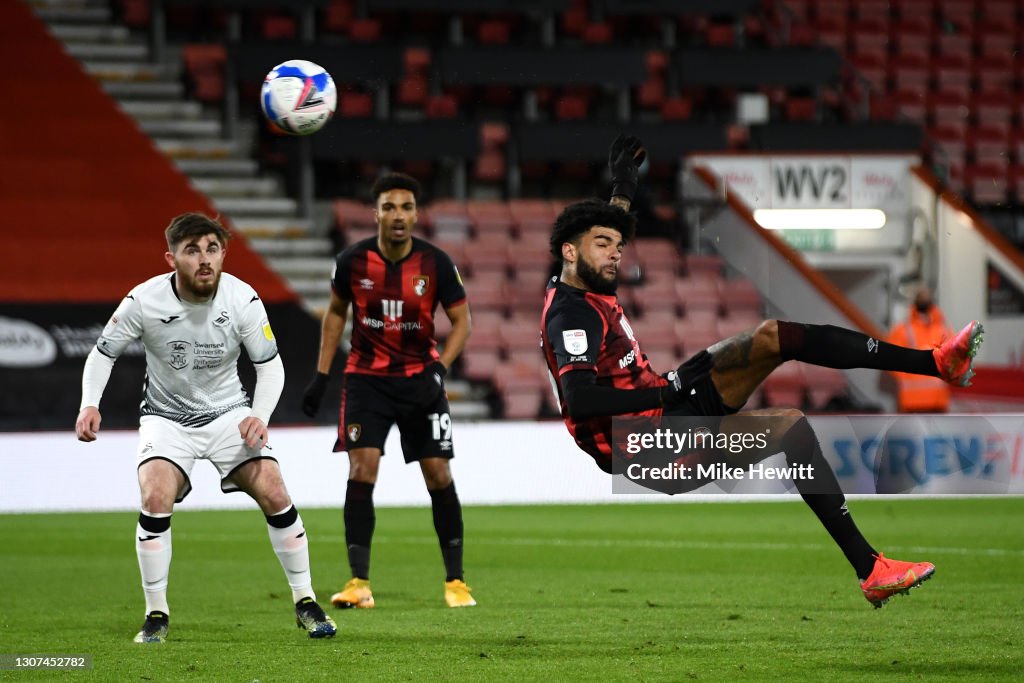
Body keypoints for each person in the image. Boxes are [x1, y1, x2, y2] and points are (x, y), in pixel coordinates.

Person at [540, 134, 985, 608]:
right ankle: (870, 568)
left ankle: (936, 362)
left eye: (617, 244)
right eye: (603, 245)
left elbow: (609, 228)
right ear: (570, 252)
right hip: (649, 447)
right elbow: (581, 399)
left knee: (774, 335)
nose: (616, 253)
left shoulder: (586, 274)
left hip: (668, 412)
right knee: (789, 426)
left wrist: (624, 181)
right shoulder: (572, 315)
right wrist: (666, 391)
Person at [74, 213, 336, 643]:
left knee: (274, 489)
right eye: (192, 250)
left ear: (223, 254)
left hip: (229, 414)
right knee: (155, 495)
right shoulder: (144, 300)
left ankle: (305, 601)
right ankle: (156, 615)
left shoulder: (243, 299)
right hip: (165, 418)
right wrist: (90, 404)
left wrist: (259, 417)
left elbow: (269, 367)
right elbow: (103, 353)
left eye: (212, 249)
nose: (204, 259)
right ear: (171, 257)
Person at [301, 172, 475, 609]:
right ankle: (359, 583)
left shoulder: (436, 263)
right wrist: (322, 376)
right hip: (367, 381)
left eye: (407, 207)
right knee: (362, 470)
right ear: (375, 212)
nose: (399, 216)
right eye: (390, 207)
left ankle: (455, 583)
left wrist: (440, 370)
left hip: (421, 382)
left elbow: (462, 323)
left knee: (438, 474)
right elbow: (335, 316)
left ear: (417, 214)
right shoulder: (351, 262)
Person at [887, 285, 953, 412]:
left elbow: (955, 356)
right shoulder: (904, 329)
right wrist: (906, 377)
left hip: (937, 402)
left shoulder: (942, 329)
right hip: (912, 402)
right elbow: (889, 358)